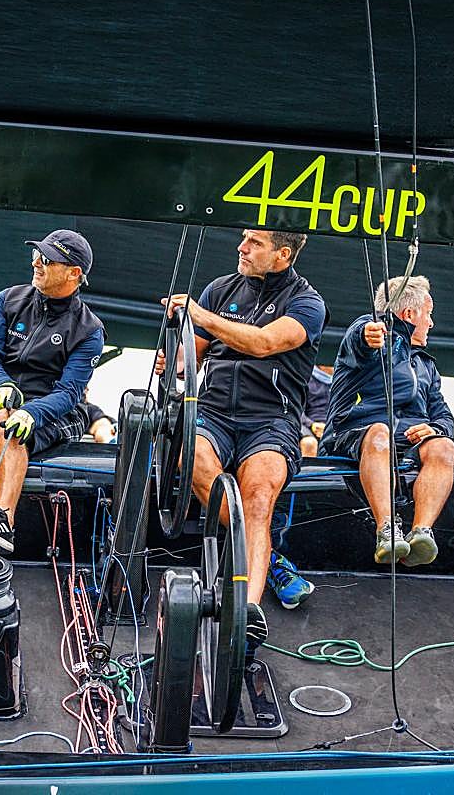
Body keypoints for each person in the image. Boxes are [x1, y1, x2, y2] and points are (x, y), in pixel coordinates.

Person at [160, 228, 327, 659]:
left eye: (255, 243)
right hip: (213, 413)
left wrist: (203, 315)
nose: (241, 247)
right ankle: (266, 556)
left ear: (282, 255)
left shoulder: (307, 303)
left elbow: (265, 343)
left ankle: (247, 612)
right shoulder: (220, 289)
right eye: (244, 238)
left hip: (271, 420)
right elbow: (190, 358)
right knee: (190, 457)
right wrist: (173, 361)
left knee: (258, 494)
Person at [0, 229, 104, 554]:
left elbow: (70, 392)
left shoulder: (90, 330)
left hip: (58, 411)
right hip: (5, 400)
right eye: (36, 255)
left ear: (74, 273)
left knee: (7, 421)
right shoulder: (7, 299)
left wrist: (32, 412)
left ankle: (4, 519)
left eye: (47, 259)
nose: (36, 262)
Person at [320, 276, 454, 566]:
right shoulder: (371, 332)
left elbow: (444, 416)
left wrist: (434, 429)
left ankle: (421, 534)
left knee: (444, 446)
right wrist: (368, 334)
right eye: (429, 314)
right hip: (353, 437)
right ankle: (386, 531)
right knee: (380, 432)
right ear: (409, 314)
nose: (431, 323)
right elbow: (361, 337)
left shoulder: (426, 365)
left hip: (406, 444)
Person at [299, 365, 333, 458]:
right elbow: (296, 409)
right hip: (308, 426)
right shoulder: (305, 377)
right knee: (309, 443)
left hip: (334, 426)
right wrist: (312, 425)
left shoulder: (344, 379)